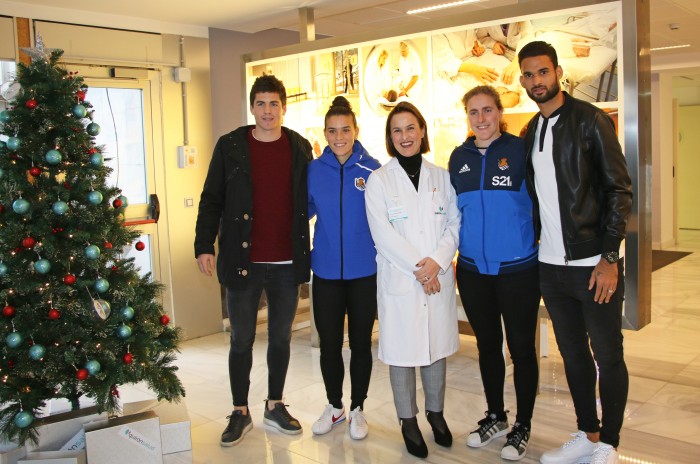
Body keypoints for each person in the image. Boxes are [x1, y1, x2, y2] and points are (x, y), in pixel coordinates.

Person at [517, 41, 633, 464]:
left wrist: (609, 257)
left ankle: (610, 444)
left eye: (542, 73)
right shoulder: (531, 131)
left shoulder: (590, 121)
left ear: (558, 72)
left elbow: (619, 190)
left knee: (607, 353)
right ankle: (588, 432)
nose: (536, 82)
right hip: (550, 266)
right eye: (528, 75)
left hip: (592, 264)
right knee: (572, 354)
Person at [194, 74, 313, 446]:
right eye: (260, 103)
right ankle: (240, 410)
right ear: (252, 107)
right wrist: (203, 244)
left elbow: (313, 194)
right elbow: (211, 197)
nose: (267, 111)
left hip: (285, 262)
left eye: (274, 104)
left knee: (280, 337)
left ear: (283, 107)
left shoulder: (299, 146)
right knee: (241, 339)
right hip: (242, 261)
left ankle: (274, 404)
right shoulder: (230, 145)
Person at [448, 85, 541, 461]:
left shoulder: (520, 152)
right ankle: (496, 416)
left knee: (520, 348)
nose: (481, 118)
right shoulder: (459, 157)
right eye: (474, 111)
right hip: (472, 270)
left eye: (487, 110)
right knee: (487, 346)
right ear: (467, 116)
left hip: (518, 269)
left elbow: (541, 204)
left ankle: (523, 425)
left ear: (499, 113)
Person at [365, 101, 461, 458]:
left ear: (422, 131)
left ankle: (436, 414)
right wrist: (421, 271)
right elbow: (383, 235)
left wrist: (436, 263)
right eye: (397, 130)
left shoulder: (442, 176)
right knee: (403, 353)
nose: (405, 136)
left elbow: (454, 224)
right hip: (403, 280)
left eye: (410, 128)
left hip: (435, 277)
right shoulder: (379, 180)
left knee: (435, 350)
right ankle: (408, 420)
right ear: (390, 138)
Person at [307, 96, 381, 440]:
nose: (339, 137)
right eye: (333, 131)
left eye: (345, 130)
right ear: (325, 133)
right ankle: (334, 406)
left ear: (356, 131)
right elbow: (302, 213)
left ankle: (358, 408)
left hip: (364, 273)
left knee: (362, 344)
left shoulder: (373, 170)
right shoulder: (314, 171)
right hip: (324, 274)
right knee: (330, 345)